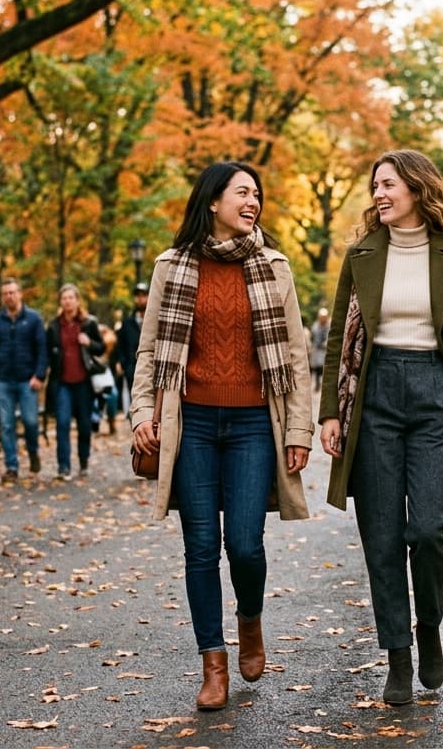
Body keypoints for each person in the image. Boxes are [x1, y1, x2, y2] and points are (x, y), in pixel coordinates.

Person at [130, 161, 313, 711]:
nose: (253, 200)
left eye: (258, 193)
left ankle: (250, 620)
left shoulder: (273, 266)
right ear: (213, 201)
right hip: (192, 425)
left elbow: (298, 356)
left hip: (256, 422)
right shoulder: (172, 266)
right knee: (201, 547)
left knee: (245, 545)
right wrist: (143, 412)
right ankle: (213, 664)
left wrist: (298, 428)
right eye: (242, 192)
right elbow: (148, 347)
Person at [319, 149, 443, 707]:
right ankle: (397, 655)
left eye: (388, 184)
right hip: (374, 397)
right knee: (384, 536)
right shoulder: (361, 254)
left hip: (435, 393)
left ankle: (430, 628)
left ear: (417, 188)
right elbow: (337, 340)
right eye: (375, 186)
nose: (379, 194)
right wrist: (330, 412)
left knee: (430, 529)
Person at [0, 278, 48, 483]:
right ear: (2, 297)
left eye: (12, 292)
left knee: (30, 421)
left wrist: (39, 375)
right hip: (4, 381)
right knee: (7, 425)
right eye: (5, 293)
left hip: (27, 381)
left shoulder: (34, 319)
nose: (9, 296)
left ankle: (33, 452)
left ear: (20, 294)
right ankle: (11, 466)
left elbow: (42, 350)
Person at [46, 283, 106, 480]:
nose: (67, 301)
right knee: (62, 423)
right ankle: (64, 466)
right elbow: (49, 353)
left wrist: (90, 342)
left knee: (84, 424)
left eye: (71, 298)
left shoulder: (89, 323)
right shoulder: (54, 326)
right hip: (62, 382)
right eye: (64, 298)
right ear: (61, 302)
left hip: (84, 383)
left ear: (77, 300)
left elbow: (101, 348)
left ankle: (83, 461)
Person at [114, 283, 148, 413]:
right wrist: (122, 363)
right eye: (137, 296)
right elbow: (120, 344)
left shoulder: (156, 321)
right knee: (135, 402)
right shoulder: (127, 323)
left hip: (151, 367)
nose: (140, 299)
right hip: (132, 368)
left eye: (143, 295)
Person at [309, 307, 329, 391]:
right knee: (317, 370)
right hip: (317, 351)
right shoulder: (315, 326)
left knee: (325, 370)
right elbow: (312, 338)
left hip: (325, 351)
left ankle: (325, 385)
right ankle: (317, 385)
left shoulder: (328, 326)